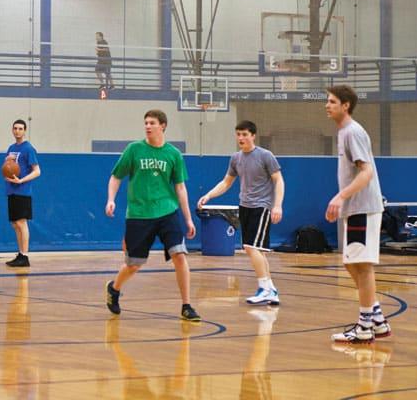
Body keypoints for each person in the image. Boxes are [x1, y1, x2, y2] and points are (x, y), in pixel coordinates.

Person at [104, 109, 199, 321]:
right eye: (145, 122)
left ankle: (186, 305)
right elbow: (116, 177)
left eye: (152, 122)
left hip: (167, 211)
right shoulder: (134, 149)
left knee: (179, 255)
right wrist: (111, 199)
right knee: (134, 264)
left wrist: (188, 218)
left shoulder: (173, 154)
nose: (148, 126)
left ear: (163, 126)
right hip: (139, 213)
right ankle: (114, 289)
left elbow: (180, 188)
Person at [324, 85, 390, 343]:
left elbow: (367, 172)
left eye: (332, 101)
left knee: (362, 266)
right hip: (356, 208)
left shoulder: (353, 132)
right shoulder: (344, 133)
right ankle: (377, 319)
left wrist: (340, 197)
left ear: (346, 105)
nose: (327, 106)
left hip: (364, 207)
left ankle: (365, 326)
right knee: (352, 263)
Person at [197, 120, 285, 305]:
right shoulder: (236, 158)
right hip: (244, 206)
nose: (241, 138)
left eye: (245, 134)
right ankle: (271, 289)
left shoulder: (265, 155)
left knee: (251, 248)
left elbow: (279, 180)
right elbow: (226, 182)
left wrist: (277, 205)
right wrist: (209, 195)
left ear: (253, 135)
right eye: (238, 134)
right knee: (257, 251)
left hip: (261, 206)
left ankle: (264, 288)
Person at [4, 119, 41, 268]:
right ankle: (20, 253)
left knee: (21, 222)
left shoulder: (28, 148)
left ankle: (25, 256)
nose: (17, 131)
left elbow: (37, 171)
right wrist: (6, 163)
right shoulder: (11, 148)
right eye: (15, 128)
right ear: (12, 130)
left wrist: (22, 181)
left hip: (23, 191)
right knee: (15, 224)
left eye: (20, 128)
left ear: (25, 131)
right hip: (11, 190)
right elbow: (8, 167)